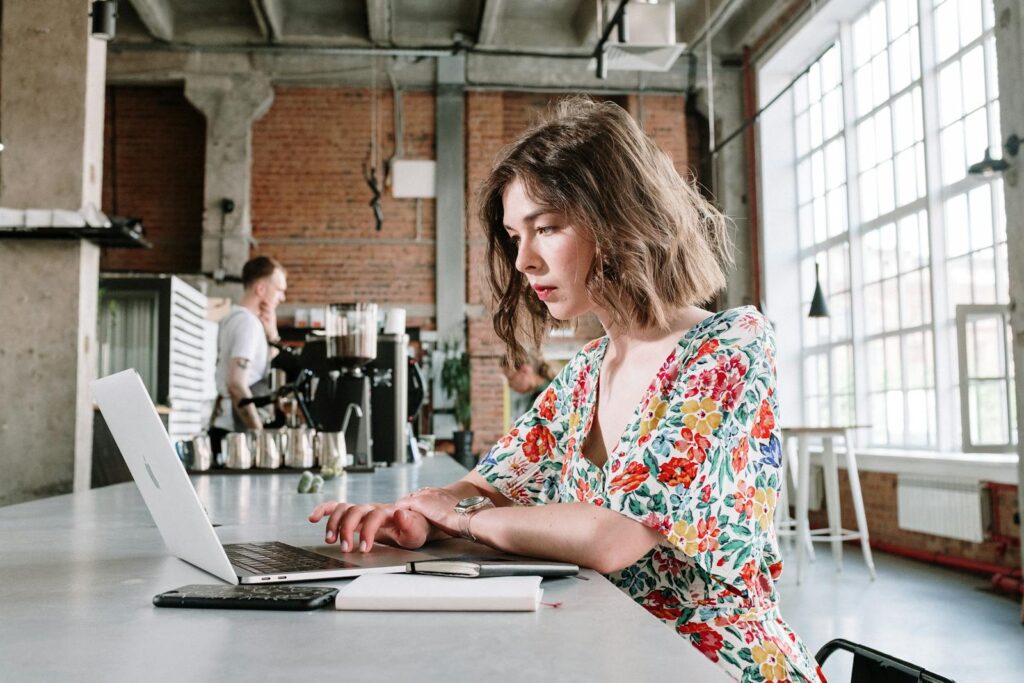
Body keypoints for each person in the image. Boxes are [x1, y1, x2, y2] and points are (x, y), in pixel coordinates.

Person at [308, 98, 823, 682]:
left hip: (713, 663)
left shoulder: (728, 346)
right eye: (514, 235)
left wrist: (464, 518)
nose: (525, 260)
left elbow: (611, 537)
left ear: (622, 216)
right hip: (613, 648)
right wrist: (418, 520)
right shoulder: (586, 371)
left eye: (547, 228)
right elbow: (489, 486)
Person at [209, 256, 287, 454]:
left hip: (228, 429)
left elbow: (253, 370)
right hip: (233, 435)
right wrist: (259, 435)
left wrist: (272, 335)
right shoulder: (247, 323)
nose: (282, 297)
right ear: (261, 289)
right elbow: (236, 384)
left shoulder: (237, 319)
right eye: (279, 290)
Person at [502, 352, 556, 420]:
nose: (509, 385)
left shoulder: (549, 394)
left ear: (524, 370)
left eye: (510, 378)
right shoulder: (536, 396)